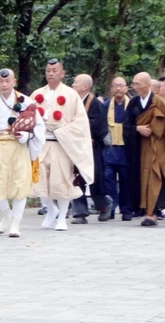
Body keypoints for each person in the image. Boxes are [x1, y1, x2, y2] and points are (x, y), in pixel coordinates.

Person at [31, 59, 93, 231]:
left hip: (61, 143)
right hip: (42, 143)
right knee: (39, 179)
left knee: (62, 181)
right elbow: (29, 117)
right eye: (48, 70)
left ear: (62, 73)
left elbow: (80, 122)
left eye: (55, 70)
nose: (51, 73)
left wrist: (61, 131)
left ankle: (62, 218)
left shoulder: (71, 95)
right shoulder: (37, 94)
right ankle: (51, 209)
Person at [0, 68, 45, 238]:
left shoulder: (26, 102)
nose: (4, 84)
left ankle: (15, 224)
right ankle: (6, 216)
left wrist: (28, 135)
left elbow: (39, 126)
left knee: (20, 184)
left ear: (14, 82)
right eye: (1, 81)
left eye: (7, 81)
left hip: (18, 146)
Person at [128, 73, 165, 227]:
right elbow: (126, 125)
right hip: (137, 148)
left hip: (155, 148)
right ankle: (143, 210)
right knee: (140, 179)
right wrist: (137, 128)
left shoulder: (158, 103)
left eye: (137, 84)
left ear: (147, 85)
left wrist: (151, 129)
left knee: (154, 179)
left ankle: (152, 214)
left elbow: (164, 128)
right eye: (134, 84)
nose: (134, 87)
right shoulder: (133, 103)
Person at [70, 74, 112, 223]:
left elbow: (100, 126)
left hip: (92, 147)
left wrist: (85, 133)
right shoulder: (73, 102)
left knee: (94, 179)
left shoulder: (95, 104)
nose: (73, 85)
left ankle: (105, 205)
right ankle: (80, 213)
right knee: (76, 178)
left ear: (85, 87)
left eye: (76, 82)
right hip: (76, 146)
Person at [103, 77, 141, 220]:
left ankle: (126, 209)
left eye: (121, 86)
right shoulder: (106, 105)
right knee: (108, 179)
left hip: (127, 149)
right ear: (111, 89)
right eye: (115, 86)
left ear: (126, 88)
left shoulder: (133, 105)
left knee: (126, 180)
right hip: (109, 148)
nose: (118, 89)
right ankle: (110, 208)